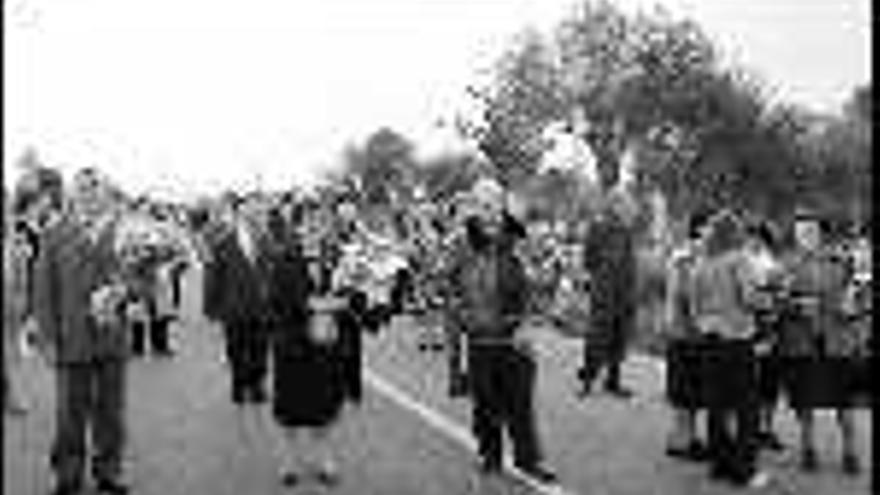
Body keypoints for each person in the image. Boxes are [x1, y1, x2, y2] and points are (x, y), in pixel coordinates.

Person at [446, 178, 557, 483]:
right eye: (482, 205)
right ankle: (489, 453)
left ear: (503, 205)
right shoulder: (460, 243)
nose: (489, 212)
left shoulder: (521, 240)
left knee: (521, 402)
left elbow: (542, 285)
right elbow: (445, 284)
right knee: (485, 403)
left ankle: (529, 459)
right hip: (480, 336)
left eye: (494, 204)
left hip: (515, 336)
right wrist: (461, 314)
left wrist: (530, 321)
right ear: (473, 208)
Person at [32, 168, 132, 495]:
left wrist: (128, 294)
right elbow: (43, 290)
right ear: (73, 194)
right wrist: (47, 338)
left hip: (112, 338)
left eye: (95, 188)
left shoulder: (123, 231)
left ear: (104, 193)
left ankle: (109, 472)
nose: (89, 194)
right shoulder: (55, 232)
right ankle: (68, 475)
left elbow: (141, 279)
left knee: (111, 414)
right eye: (83, 188)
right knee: (69, 415)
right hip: (71, 339)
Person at [777, 208, 864, 474]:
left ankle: (850, 453)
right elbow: (778, 300)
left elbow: (858, 296)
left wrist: (853, 308)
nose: (804, 236)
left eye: (810, 231)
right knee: (805, 399)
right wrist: (794, 305)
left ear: (821, 234)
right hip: (801, 341)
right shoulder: (787, 263)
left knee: (844, 401)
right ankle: (808, 449)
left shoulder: (842, 260)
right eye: (800, 231)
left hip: (837, 341)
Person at [688, 210, 770, 488]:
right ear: (736, 234)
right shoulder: (739, 259)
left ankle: (719, 465)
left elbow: (693, 306)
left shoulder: (702, 262)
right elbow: (749, 299)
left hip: (710, 341)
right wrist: (767, 300)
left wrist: (705, 324)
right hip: (737, 340)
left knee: (716, 406)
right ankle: (744, 471)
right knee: (747, 408)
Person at [203, 197, 273, 404]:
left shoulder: (267, 240)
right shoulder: (223, 242)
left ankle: (257, 384)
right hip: (233, 306)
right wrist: (211, 306)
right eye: (248, 211)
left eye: (257, 211)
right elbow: (213, 277)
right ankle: (239, 384)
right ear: (239, 215)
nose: (254, 215)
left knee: (260, 347)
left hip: (261, 306)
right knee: (236, 347)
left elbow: (275, 272)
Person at [662, 210, 710, 461]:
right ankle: (681, 442)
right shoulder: (686, 258)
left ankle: (686, 439)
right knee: (684, 392)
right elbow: (683, 296)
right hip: (685, 334)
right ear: (700, 229)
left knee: (689, 392)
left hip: (688, 334)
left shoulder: (695, 256)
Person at [579, 192, 637, 398]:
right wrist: (596, 278)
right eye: (623, 205)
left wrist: (631, 290)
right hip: (604, 288)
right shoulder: (597, 226)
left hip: (624, 289)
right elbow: (589, 258)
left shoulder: (626, 230)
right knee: (597, 333)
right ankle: (587, 380)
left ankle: (613, 381)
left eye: (627, 206)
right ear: (613, 205)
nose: (627, 209)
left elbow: (630, 261)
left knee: (619, 334)